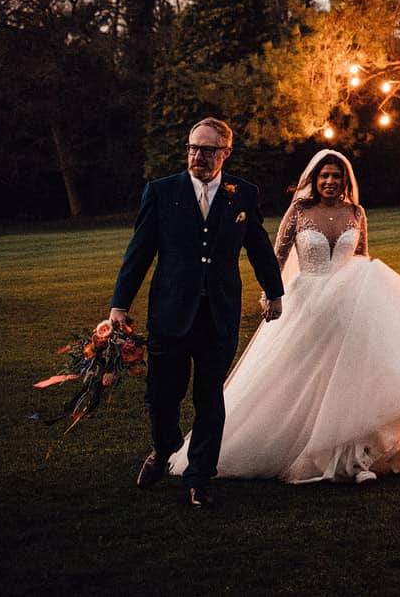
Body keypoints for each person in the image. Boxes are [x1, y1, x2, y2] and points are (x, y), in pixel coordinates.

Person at [167, 148, 400, 484]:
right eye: (323, 176)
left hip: (350, 306)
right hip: (306, 304)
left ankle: (357, 459)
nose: (329, 181)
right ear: (313, 179)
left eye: (335, 176)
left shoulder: (356, 212)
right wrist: (270, 293)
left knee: (353, 380)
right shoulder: (299, 210)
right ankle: (293, 445)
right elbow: (276, 257)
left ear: (344, 181)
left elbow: (363, 257)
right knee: (302, 378)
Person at [109, 117, 285, 508]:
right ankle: (165, 446)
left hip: (218, 314)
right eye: (192, 148)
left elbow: (257, 245)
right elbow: (139, 252)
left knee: (210, 398)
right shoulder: (161, 191)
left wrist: (274, 291)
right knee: (161, 396)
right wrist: (119, 304)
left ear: (226, 152)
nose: (197, 156)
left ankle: (199, 477)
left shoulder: (243, 194)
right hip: (169, 312)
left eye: (207, 149)